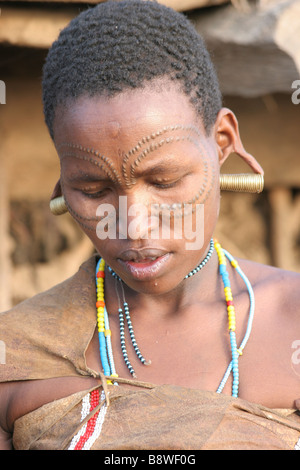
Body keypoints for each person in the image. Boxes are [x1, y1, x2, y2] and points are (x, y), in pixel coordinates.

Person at [0, 0, 300, 451]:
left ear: (221, 145)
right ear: (62, 185)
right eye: (95, 190)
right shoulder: (17, 357)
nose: (134, 225)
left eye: (166, 181)